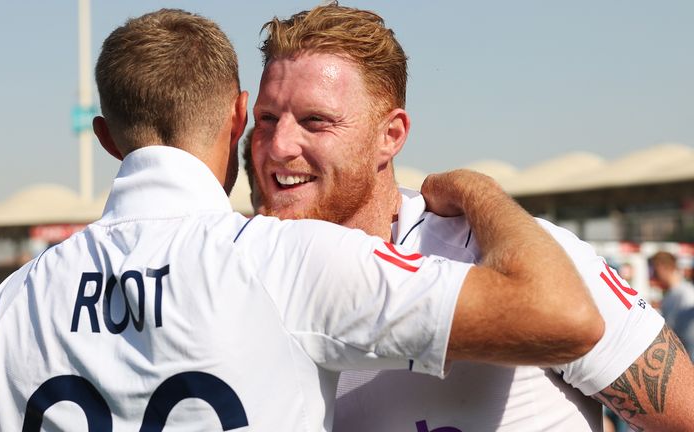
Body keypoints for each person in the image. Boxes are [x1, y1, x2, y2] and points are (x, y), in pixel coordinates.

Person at [0, 9, 602, 431]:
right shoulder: (285, 259)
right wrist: (481, 192)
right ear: (237, 116)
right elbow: (565, 317)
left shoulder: (15, 299)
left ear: (107, 138)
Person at [248, 3, 694, 431]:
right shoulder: (234, 274)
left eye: (314, 120)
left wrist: (477, 190)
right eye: (266, 118)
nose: (278, 144)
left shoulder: (513, 260)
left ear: (390, 135)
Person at [652, 251, 694, 359]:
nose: (653, 275)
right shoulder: (670, 295)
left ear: (661, 267)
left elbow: (689, 334)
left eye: (655, 270)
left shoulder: (685, 293)